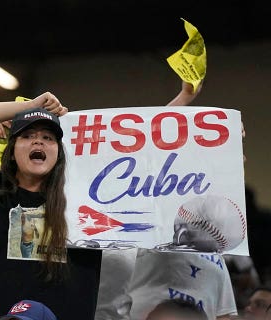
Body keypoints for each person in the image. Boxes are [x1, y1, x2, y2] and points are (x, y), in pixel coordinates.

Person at [0, 92, 102, 319]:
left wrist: (72, 125)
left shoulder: (87, 198)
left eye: (49, 138)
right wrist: (31, 106)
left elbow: (144, 154)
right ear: (11, 153)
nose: (38, 141)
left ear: (59, 153)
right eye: (27, 135)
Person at [95, 80, 240, 320]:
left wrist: (227, 157)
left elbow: (226, 314)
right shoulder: (134, 231)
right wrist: (182, 100)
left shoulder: (213, 248)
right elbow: (147, 152)